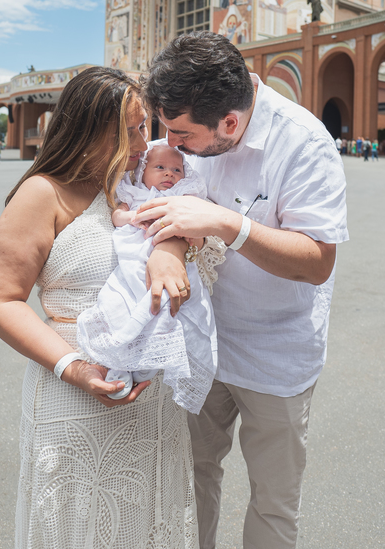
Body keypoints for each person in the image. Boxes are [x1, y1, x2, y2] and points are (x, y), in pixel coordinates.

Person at [138, 32, 348, 549]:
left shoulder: (304, 142)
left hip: (275, 356)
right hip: (202, 347)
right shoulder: (191, 130)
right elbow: (167, 209)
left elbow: (318, 261)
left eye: (183, 137)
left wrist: (229, 224)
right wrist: (168, 248)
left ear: (229, 123)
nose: (173, 148)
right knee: (191, 480)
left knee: (273, 503)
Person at [0, 67, 199, 548]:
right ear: (93, 127)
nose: (147, 142)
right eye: (135, 128)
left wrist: (170, 251)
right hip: (74, 390)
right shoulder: (43, 192)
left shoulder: (132, 185)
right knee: (79, 523)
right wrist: (73, 367)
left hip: (150, 399)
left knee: (148, 520)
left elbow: (183, 223)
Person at [77, 144, 222, 412]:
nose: (169, 174)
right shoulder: (133, 193)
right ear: (143, 172)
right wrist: (132, 216)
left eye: (176, 169)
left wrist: (189, 237)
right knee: (123, 302)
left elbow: (200, 231)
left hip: (174, 262)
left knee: (169, 308)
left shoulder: (184, 196)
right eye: (160, 168)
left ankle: (146, 368)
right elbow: (118, 216)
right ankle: (119, 365)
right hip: (134, 258)